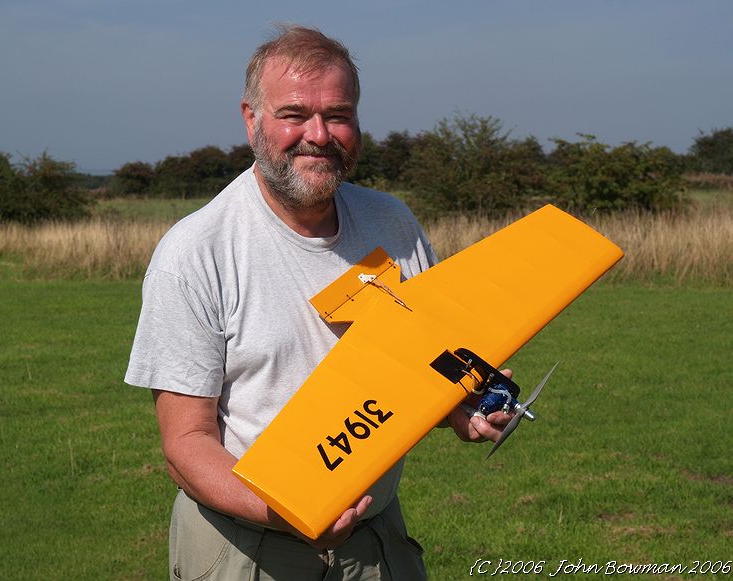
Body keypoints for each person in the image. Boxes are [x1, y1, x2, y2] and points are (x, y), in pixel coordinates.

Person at [125, 24, 512, 581]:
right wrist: (291, 512)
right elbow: (186, 443)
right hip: (249, 545)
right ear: (251, 119)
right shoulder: (195, 252)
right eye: (293, 114)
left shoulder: (391, 223)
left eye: (337, 114)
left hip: (375, 538)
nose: (319, 134)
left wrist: (465, 408)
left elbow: (425, 362)